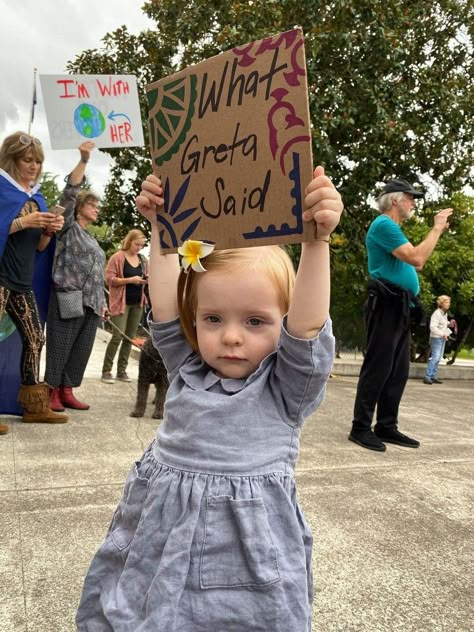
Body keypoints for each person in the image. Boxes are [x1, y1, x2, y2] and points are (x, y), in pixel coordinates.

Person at [76, 166, 343, 632]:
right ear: (194, 319)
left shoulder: (285, 389)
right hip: (161, 534)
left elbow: (307, 328)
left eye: (256, 321)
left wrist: (316, 242)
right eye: (213, 318)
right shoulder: (188, 365)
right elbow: (163, 302)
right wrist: (162, 225)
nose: (231, 337)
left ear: (283, 321)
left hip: (245, 556)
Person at [349, 179, 453, 452]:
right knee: (378, 367)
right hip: (386, 303)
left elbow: (412, 263)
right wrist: (437, 228)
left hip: (399, 305)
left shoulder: (393, 229)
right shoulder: (383, 224)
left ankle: (386, 426)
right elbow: (417, 259)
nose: (414, 202)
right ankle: (360, 427)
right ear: (394, 200)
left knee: (397, 370)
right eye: (410, 197)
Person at [0, 131, 68, 431]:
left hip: (21, 282)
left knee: (34, 339)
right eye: (27, 160)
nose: (34, 166)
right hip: (1, 278)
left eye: (38, 161)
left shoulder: (37, 197)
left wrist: (49, 230)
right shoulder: (2, 188)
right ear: (12, 160)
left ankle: (34, 406)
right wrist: (23, 222)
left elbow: (38, 248)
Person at [45, 142, 107, 413]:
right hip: (69, 294)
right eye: (92, 204)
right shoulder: (68, 227)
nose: (97, 209)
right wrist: (84, 160)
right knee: (61, 344)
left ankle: (67, 390)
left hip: (92, 302)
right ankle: (51, 391)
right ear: (80, 206)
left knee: (80, 349)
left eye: (97, 206)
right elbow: (69, 193)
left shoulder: (92, 239)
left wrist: (103, 302)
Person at [101, 229, 148, 384]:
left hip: (137, 303)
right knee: (117, 336)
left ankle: (122, 370)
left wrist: (145, 279)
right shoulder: (118, 257)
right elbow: (109, 279)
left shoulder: (142, 259)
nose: (139, 248)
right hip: (121, 302)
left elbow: (145, 277)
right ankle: (106, 370)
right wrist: (129, 280)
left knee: (130, 338)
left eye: (141, 245)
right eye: (137, 244)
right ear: (129, 241)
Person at [423, 295, 452, 384]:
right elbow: (433, 327)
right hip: (436, 338)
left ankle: (433, 376)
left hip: (442, 338)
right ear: (441, 303)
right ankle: (427, 376)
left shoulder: (444, 313)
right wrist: (442, 334)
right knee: (435, 357)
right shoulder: (437, 313)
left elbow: (442, 324)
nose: (448, 304)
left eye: (449, 302)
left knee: (438, 358)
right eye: (447, 302)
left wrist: (449, 323)